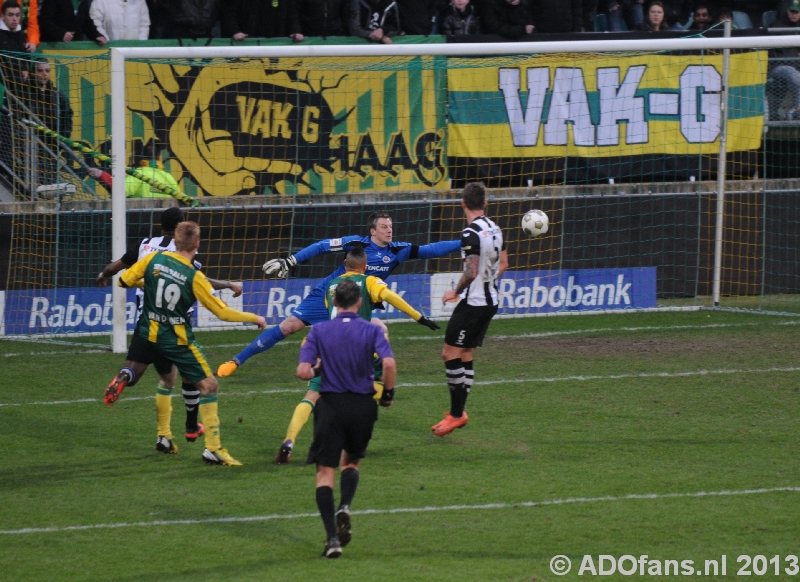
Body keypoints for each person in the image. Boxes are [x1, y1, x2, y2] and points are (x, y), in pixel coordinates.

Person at [216, 211, 460, 377]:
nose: (389, 231)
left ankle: (362, 374)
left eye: (391, 227)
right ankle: (237, 360)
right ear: (372, 231)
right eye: (384, 227)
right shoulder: (356, 243)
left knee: (373, 334)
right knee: (289, 326)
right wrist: (290, 261)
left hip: (355, 304)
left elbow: (432, 250)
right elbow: (322, 246)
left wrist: (463, 241)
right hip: (328, 292)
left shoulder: (398, 250)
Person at [117, 221, 267, 465]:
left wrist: (149, 283)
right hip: (177, 339)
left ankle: (164, 435)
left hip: (148, 333)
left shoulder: (153, 260)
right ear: (197, 244)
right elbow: (223, 313)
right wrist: (255, 318)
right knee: (209, 385)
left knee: (166, 380)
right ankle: (213, 448)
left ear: (175, 242)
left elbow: (124, 281)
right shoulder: (193, 276)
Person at [276, 245, 440, 464]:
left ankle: (289, 440)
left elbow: (330, 314)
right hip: (358, 346)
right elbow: (391, 296)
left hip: (328, 344)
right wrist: (419, 317)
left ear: (345, 265)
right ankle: (359, 425)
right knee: (376, 369)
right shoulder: (370, 281)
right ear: (365, 266)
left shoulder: (331, 286)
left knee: (311, 396)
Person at [102, 207, 244, 447]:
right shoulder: (181, 252)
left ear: (161, 226)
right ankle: (191, 428)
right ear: (181, 228)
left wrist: (103, 273)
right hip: (176, 324)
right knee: (191, 375)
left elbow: (118, 266)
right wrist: (228, 284)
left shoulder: (146, 245)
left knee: (150, 375)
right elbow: (201, 282)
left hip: (147, 321)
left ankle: (127, 378)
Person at [297, 278, 396, 558]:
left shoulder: (319, 330)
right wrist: (388, 393)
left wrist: (319, 369)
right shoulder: (371, 329)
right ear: (360, 303)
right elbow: (388, 363)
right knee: (351, 461)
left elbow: (303, 372)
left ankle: (332, 540)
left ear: (334, 303)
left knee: (324, 472)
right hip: (363, 406)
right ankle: (346, 505)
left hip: (331, 406)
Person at [433, 182, 507, 437]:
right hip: (491, 300)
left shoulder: (470, 233)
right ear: (485, 204)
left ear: (463, 204)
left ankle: (456, 415)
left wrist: (455, 292)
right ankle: (458, 410)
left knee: (449, 353)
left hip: (474, 304)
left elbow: (470, 271)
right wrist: (488, 282)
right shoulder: (496, 229)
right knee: (466, 354)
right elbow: (504, 263)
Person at [27, 58, 73, 185]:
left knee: (49, 186)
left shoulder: (58, 95)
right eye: (40, 70)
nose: (44, 74)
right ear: (33, 72)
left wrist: (61, 140)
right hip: (29, 148)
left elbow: (67, 118)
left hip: (51, 148)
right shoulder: (25, 93)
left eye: (47, 70)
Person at [768, 0, 800, 120]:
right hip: (779, 67)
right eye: (792, 11)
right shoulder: (777, 26)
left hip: (796, 67)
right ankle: (798, 114)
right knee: (796, 77)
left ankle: (794, 111)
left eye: (797, 12)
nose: (794, 14)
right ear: (787, 11)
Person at [222, 0, 288, 41]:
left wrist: (294, 30)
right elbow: (228, 13)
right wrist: (235, 31)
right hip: (242, 40)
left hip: (270, 40)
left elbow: (289, 12)